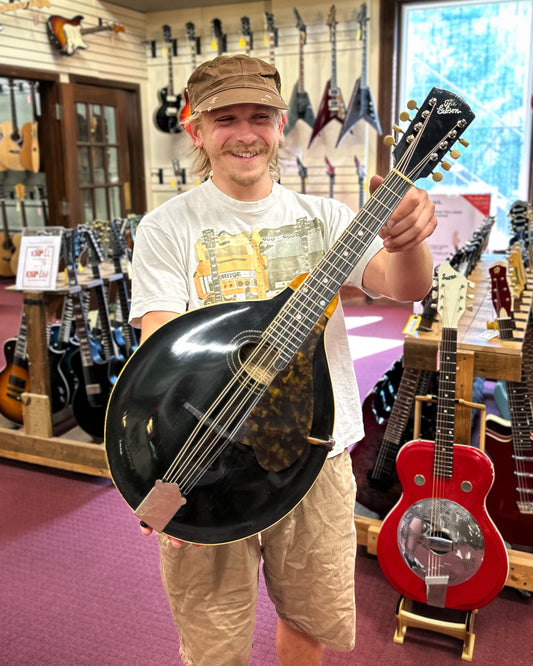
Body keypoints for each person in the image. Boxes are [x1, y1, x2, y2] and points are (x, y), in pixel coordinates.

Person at [128, 54, 436, 666]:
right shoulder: (166, 228)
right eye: (226, 119)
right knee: (214, 637)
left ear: (279, 125)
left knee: (309, 615)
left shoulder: (325, 219)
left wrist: (411, 237)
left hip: (318, 452)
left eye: (261, 116)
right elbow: (161, 349)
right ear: (196, 130)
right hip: (206, 456)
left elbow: (403, 287)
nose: (246, 133)